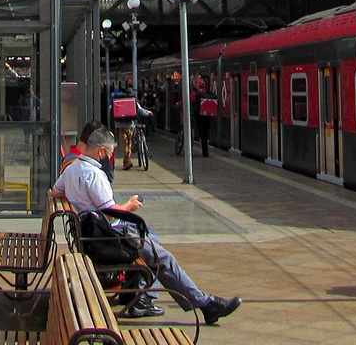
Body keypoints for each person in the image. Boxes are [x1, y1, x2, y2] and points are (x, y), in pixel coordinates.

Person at [54, 128, 242, 325]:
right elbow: (110, 212)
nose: (110, 156)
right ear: (100, 151)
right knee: (164, 259)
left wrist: (79, 200)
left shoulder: (72, 169)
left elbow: (55, 192)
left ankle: (142, 295)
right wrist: (131, 205)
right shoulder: (94, 175)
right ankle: (206, 305)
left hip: (92, 236)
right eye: (109, 152)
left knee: (151, 239)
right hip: (106, 240)